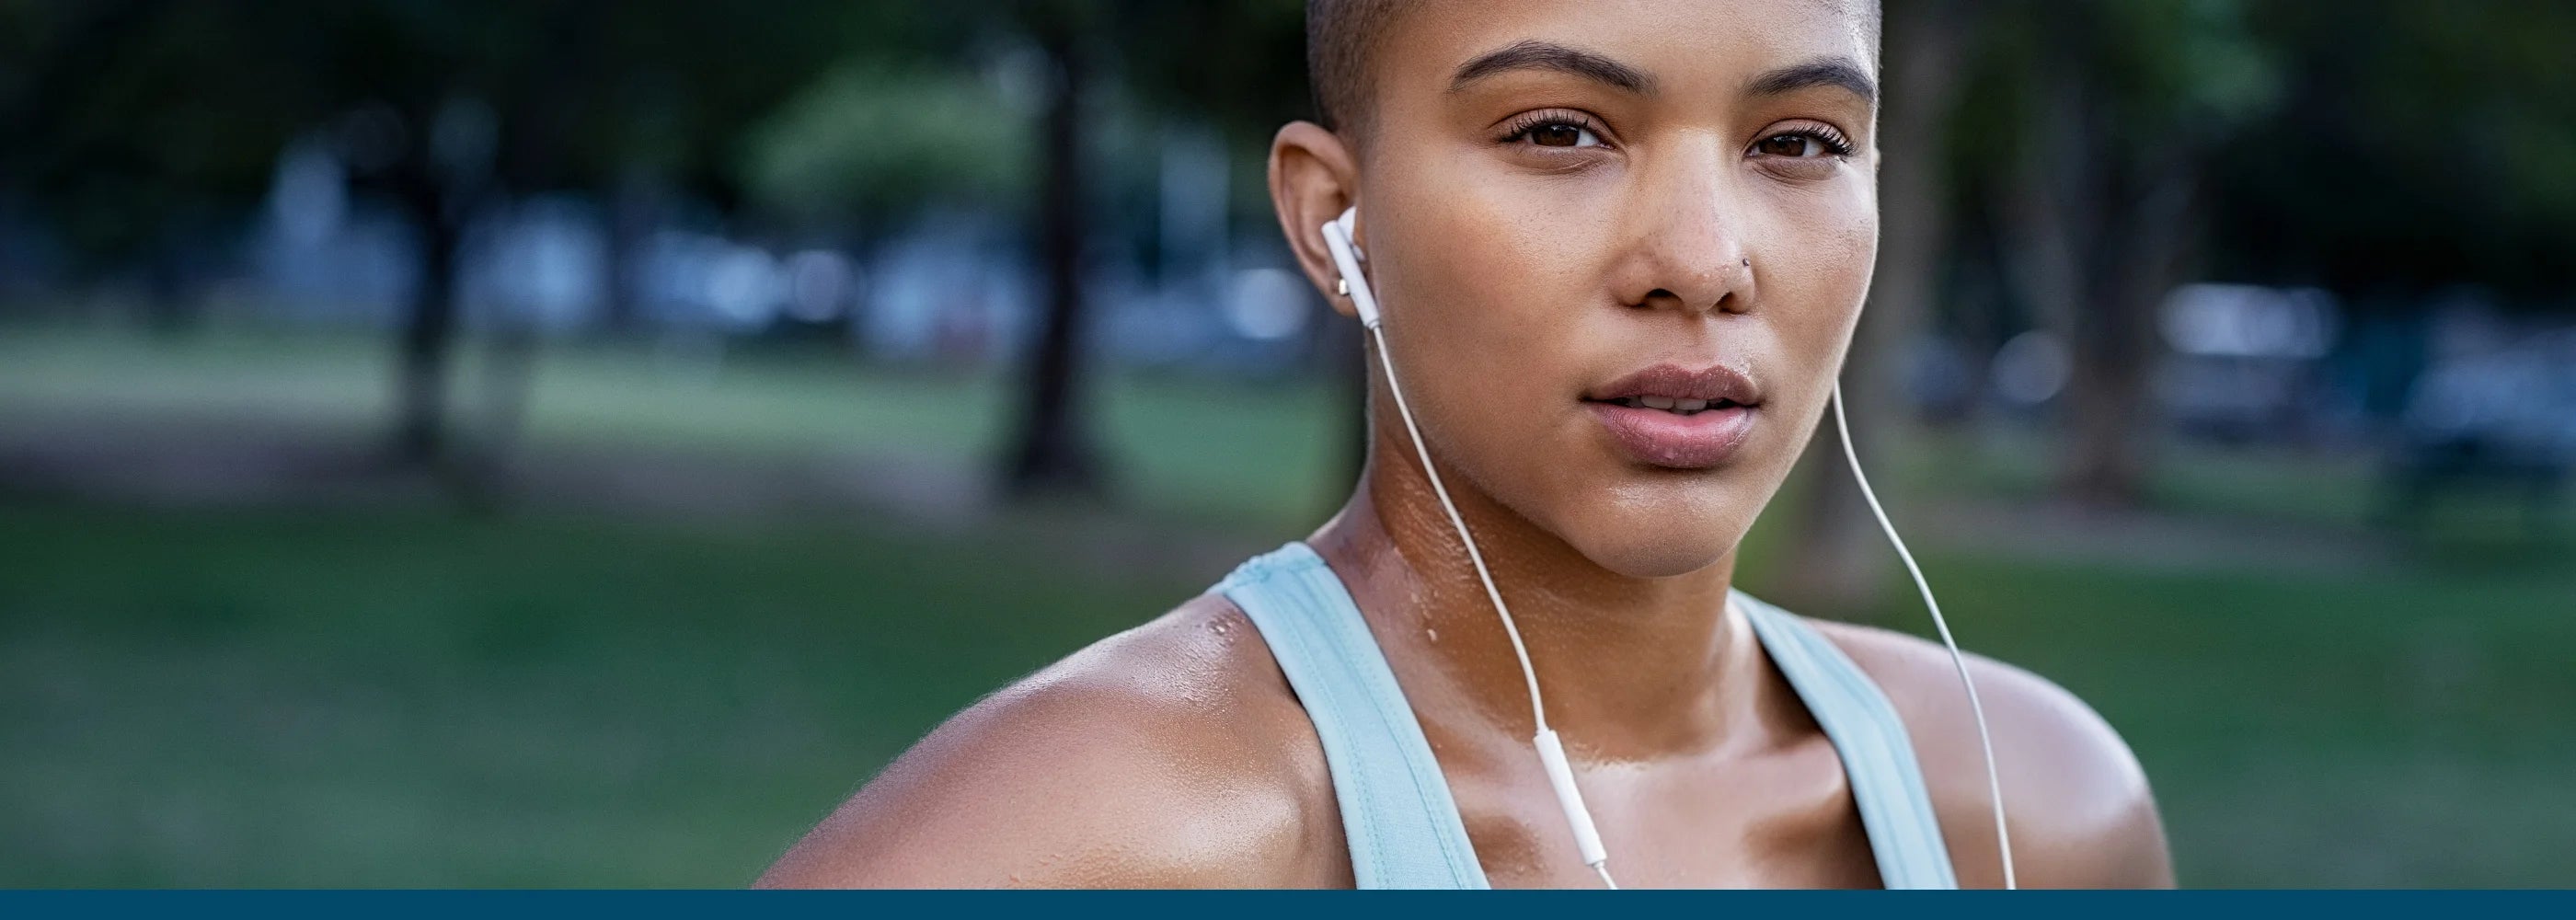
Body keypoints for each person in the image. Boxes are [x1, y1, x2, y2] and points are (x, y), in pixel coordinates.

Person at [758, 0, 2171, 889]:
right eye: (1561, 129)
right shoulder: (1105, 839)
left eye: (1799, 143)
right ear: (1332, 220)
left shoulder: (2036, 814)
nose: (1705, 259)